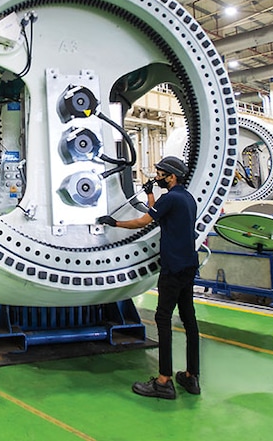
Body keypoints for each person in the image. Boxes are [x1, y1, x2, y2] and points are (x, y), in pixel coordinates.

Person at [97, 156, 200, 400]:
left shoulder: (171, 198)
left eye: (160, 173)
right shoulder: (187, 198)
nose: (157, 177)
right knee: (189, 320)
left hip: (173, 269)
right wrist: (150, 194)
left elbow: (144, 221)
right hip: (188, 266)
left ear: (171, 176)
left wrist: (115, 223)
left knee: (162, 320)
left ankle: (164, 381)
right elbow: (158, 213)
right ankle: (191, 377)